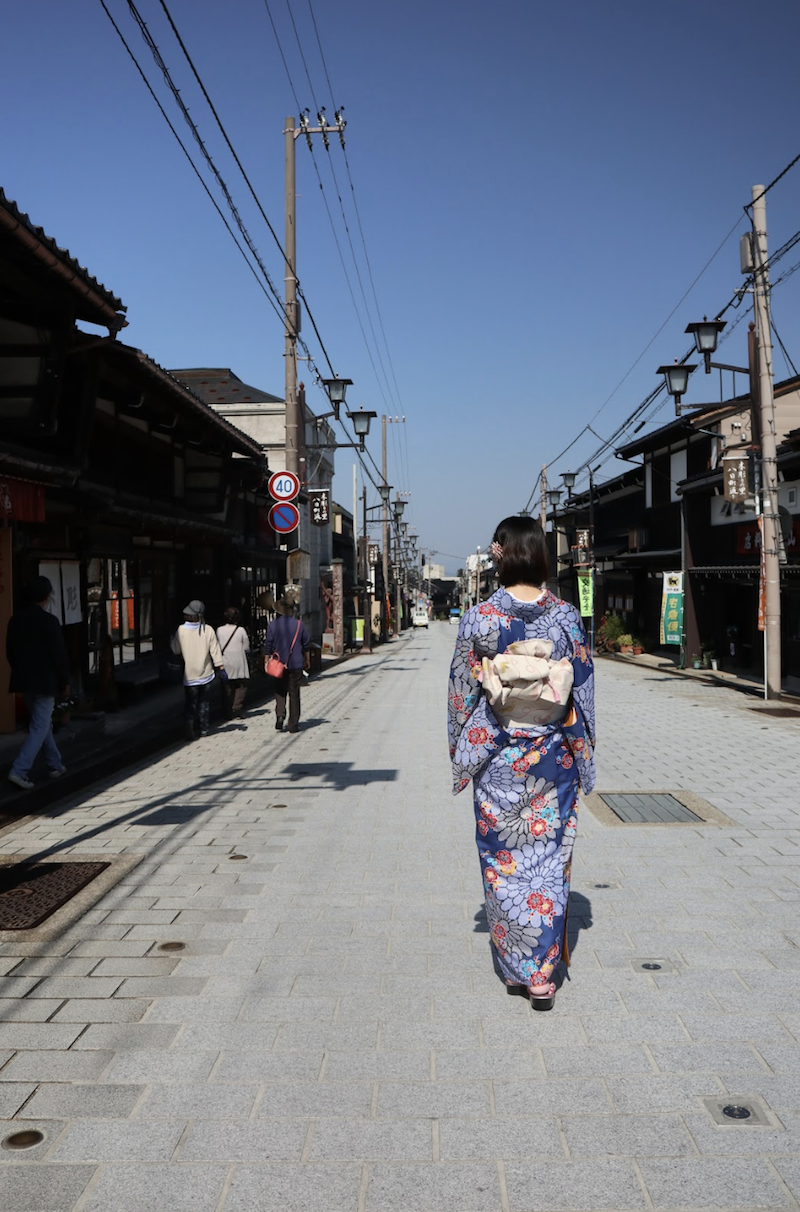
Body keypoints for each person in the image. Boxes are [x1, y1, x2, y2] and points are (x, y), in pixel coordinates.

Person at [447, 516, 596, 1010]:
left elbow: (462, 693)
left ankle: (516, 968)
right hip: (553, 755)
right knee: (550, 861)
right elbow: (584, 687)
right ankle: (543, 977)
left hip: (498, 756)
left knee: (503, 860)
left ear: (501, 554)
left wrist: (461, 751)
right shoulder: (567, 617)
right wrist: (583, 748)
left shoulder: (480, 618)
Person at [6, 575, 70, 790]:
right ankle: (19, 770)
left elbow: (10, 652)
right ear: (46, 597)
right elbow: (59, 655)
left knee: (42, 725)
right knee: (41, 725)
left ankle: (55, 764)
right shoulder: (50, 621)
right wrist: (64, 682)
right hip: (46, 682)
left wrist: (20, 671)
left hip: (24, 680)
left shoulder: (15, 620)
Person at [171, 599, 224, 740]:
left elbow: (176, 650)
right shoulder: (208, 630)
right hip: (206, 672)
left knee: (190, 703)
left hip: (190, 674)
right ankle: (204, 729)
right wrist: (220, 665)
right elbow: (215, 650)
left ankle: (189, 729)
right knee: (204, 702)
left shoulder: (181, 630)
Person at [263, 597, 310, 733]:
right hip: (295, 663)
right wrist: (307, 660)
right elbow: (306, 644)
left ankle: (280, 715)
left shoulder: (273, 625)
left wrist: (266, 660)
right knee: (294, 693)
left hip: (279, 664)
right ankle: (293, 724)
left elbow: (268, 645)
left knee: (280, 690)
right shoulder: (299, 624)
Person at [216, 607, 250, 719]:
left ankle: (227, 712)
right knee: (242, 685)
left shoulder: (219, 630)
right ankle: (237, 706)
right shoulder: (241, 630)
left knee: (227, 687)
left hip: (225, 661)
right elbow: (246, 647)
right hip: (239, 661)